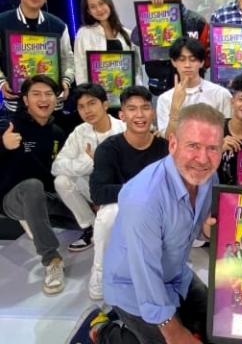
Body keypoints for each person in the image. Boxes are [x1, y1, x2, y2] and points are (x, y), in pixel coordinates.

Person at [67, 103, 223, 344]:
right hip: (132, 286)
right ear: (173, 144)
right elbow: (145, 273)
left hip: (176, 273)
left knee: (220, 324)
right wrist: (173, 332)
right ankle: (104, 330)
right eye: (193, 146)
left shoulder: (209, 177)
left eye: (212, 148)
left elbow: (193, 228)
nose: (203, 159)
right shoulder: (144, 197)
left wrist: (205, 230)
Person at [88, 86, 168, 300]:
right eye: (132, 109)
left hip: (157, 210)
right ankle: (100, 272)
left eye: (145, 108)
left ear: (153, 113)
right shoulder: (108, 149)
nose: (139, 115)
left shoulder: (166, 148)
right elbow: (98, 193)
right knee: (109, 214)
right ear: (122, 115)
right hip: (122, 207)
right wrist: (141, 190)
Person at [0, 75, 74, 294]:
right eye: (36, 94)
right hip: (11, 199)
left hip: (46, 196)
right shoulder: (9, 126)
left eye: (49, 94)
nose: (43, 99)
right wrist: (2, 144)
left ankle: (40, 219)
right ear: (25, 100)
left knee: (86, 220)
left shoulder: (57, 132)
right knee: (32, 186)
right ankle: (52, 260)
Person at [51, 84, 125, 252]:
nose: (87, 110)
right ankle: (91, 227)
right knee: (62, 181)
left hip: (120, 191)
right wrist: (87, 162)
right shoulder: (79, 132)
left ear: (105, 104)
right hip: (93, 190)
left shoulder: (123, 128)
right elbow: (56, 167)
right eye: (81, 107)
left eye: (92, 103)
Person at [0, 0, 74, 114]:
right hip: (16, 106)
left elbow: (68, 60)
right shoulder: (2, 23)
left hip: (52, 106)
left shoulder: (59, 26)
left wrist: (66, 82)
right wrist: (2, 83)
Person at [132, 0, 210, 96]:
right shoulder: (151, 16)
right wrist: (148, 10)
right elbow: (135, 39)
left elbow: (205, 60)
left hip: (191, 89)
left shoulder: (197, 21)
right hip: (158, 89)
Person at [157, 36, 231, 137]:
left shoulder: (220, 94)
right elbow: (169, 138)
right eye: (182, 59)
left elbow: (228, 133)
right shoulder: (164, 99)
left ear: (202, 62)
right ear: (174, 62)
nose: (187, 65)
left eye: (193, 59)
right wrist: (175, 107)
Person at [74, 0, 142, 86]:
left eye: (101, 3)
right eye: (93, 7)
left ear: (108, 3)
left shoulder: (127, 33)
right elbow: (80, 67)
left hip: (126, 91)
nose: (99, 9)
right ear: (88, 11)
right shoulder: (83, 33)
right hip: (97, 92)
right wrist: (85, 91)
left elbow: (136, 68)